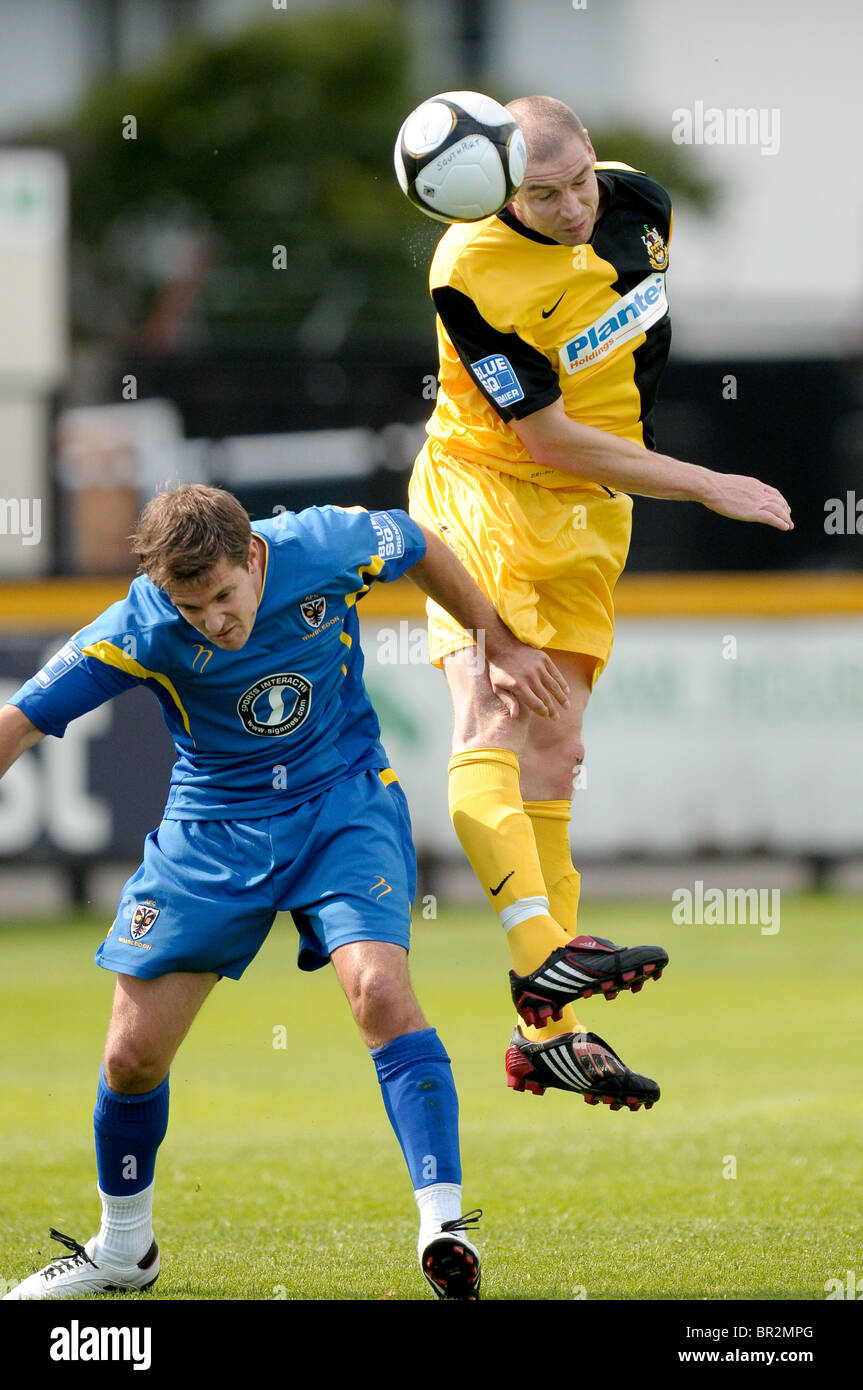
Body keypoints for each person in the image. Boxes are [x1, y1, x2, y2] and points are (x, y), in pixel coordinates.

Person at [0, 482, 570, 1303]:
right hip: (215, 827)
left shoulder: (328, 545)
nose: (213, 623)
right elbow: (20, 719)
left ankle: (441, 1227)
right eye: (191, 609)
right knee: (130, 1056)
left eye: (224, 598)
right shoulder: (142, 623)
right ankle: (124, 1251)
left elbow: (416, 538)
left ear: (254, 556)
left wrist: (498, 643)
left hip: (340, 801)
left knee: (378, 992)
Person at [408, 94, 793, 1103]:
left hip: (591, 509)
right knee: (491, 706)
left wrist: (650, 471)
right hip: (486, 488)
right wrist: (708, 482)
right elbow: (545, 438)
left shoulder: (640, 206)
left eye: (580, 178)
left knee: (557, 749)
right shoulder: (468, 271)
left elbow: (614, 369)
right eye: (544, 193)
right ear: (499, 189)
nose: (575, 204)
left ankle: (543, 1036)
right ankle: (543, 957)